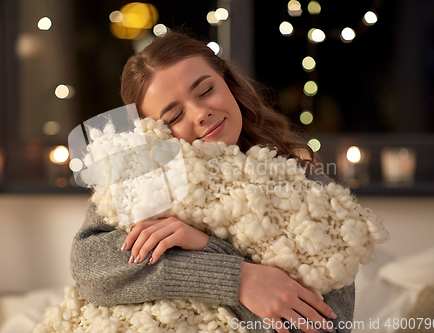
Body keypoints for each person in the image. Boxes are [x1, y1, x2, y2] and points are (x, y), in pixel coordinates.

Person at [71, 31, 355, 333]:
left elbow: (326, 328)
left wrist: (203, 245)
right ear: (154, 133)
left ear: (228, 83)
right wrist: (236, 278)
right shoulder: (143, 184)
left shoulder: (309, 186)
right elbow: (91, 269)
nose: (201, 113)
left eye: (205, 91)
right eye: (175, 115)